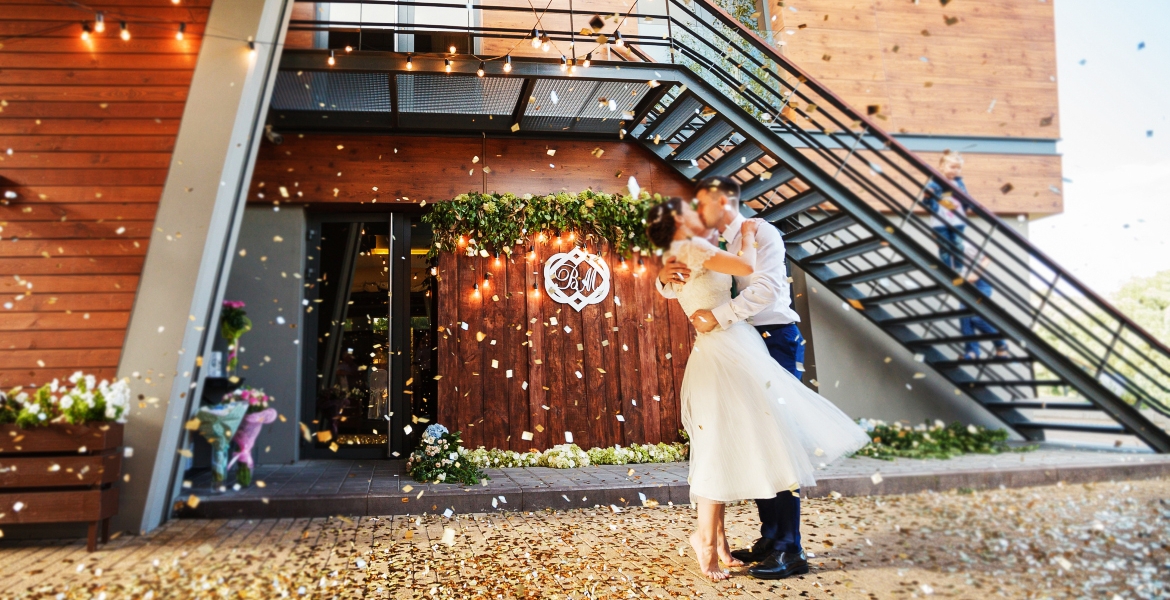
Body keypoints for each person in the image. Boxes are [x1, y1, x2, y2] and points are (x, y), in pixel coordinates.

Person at [648, 192, 869, 581]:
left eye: (703, 206)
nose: (700, 213)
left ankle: (788, 546)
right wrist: (663, 276)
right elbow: (680, 279)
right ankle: (770, 538)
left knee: (775, 436)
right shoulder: (704, 243)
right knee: (753, 439)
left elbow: (763, 288)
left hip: (767, 335)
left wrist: (715, 315)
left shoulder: (760, 233)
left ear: (724, 203)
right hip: (736, 343)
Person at [923, 152, 1009, 359]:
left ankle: (1001, 346)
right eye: (951, 167)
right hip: (963, 280)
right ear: (942, 166)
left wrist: (974, 275)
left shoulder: (963, 243)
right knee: (965, 317)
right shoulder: (947, 250)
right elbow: (928, 203)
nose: (954, 171)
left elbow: (986, 258)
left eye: (957, 168)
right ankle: (972, 352)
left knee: (977, 318)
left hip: (979, 284)